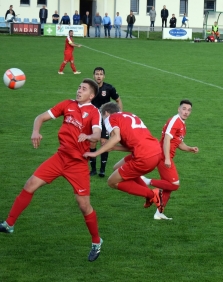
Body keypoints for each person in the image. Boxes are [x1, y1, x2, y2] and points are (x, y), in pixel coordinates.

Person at [0, 78, 103, 262]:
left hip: (78, 164)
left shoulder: (94, 112)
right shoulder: (67, 104)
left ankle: (96, 241)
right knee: (30, 184)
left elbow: (96, 133)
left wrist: (88, 135)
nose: (79, 90)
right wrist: (35, 131)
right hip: (60, 157)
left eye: (84, 89)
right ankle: (9, 224)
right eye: (78, 87)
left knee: (84, 205)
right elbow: (40, 117)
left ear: (92, 95)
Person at [83, 102, 164, 214]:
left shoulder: (110, 118)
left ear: (106, 113)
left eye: (103, 117)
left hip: (143, 156)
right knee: (117, 167)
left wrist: (95, 153)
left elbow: (116, 137)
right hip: (155, 151)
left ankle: (152, 194)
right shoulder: (129, 115)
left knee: (112, 182)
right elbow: (132, 144)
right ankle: (149, 195)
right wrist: (114, 148)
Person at [141, 100, 199, 220]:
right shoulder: (175, 121)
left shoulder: (182, 124)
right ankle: (146, 181)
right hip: (163, 156)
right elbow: (167, 138)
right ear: (178, 109)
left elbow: (178, 142)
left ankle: (159, 213)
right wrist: (167, 158)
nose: (186, 112)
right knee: (174, 185)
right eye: (184, 109)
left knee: (168, 187)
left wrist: (189, 149)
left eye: (189, 110)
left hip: (166, 156)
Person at [89, 67, 123, 177]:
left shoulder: (109, 88)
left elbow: (118, 100)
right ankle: (93, 169)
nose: (99, 76)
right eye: (97, 74)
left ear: (104, 76)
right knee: (92, 142)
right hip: (92, 119)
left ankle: (102, 170)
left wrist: (119, 114)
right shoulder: (89, 88)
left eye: (101, 74)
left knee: (104, 142)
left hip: (105, 120)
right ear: (93, 76)